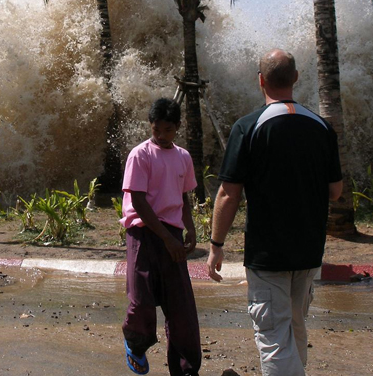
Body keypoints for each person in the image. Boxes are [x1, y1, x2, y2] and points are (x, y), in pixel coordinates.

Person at [207, 49, 343, 376]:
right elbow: (336, 191)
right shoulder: (321, 128)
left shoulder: (248, 127)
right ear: (296, 78)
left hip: (268, 253)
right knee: (295, 326)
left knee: (273, 334)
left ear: (260, 81)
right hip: (308, 251)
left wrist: (216, 244)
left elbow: (228, 193)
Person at [120, 97, 201, 376]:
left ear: (177, 128)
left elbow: (184, 197)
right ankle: (136, 343)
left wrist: (189, 228)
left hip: (173, 233)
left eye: (168, 130)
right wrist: (167, 239)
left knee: (181, 308)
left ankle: (186, 368)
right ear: (150, 126)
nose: (162, 135)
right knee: (141, 300)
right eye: (157, 130)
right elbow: (139, 202)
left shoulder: (183, 157)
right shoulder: (140, 155)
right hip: (143, 233)